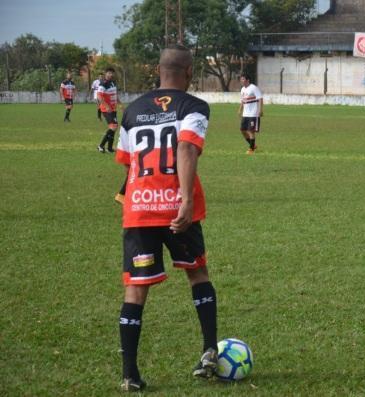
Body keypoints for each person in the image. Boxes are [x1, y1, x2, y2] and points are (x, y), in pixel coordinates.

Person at [114, 44, 217, 391]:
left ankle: (130, 374)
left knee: (135, 290)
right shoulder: (195, 106)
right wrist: (185, 200)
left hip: (140, 208)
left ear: (158, 71)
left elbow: (128, 161)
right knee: (197, 272)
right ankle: (209, 351)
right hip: (177, 207)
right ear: (189, 73)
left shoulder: (132, 110)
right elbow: (187, 147)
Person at [97, 67, 121, 153]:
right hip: (106, 109)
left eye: (112, 73)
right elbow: (99, 96)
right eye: (109, 73)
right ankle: (101, 145)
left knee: (114, 127)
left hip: (113, 108)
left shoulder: (113, 83)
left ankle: (110, 148)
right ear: (105, 73)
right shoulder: (103, 83)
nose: (111, 74)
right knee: (113, 126)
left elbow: (115, 95)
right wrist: (106, 106)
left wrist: (120, 104)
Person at [238, 73, 263, 154]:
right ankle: (253, 145)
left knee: (250, 131)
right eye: (241, 79)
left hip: (253, 113)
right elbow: (242, 100)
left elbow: (260, 99)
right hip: (245, 114)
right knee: (242, 130)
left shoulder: (253, 88)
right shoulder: (242, 89)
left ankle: (251, 149)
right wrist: (240, 109)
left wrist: (260, 110)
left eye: (243, 79)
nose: (241, 80)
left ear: (247, 80)